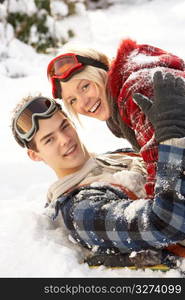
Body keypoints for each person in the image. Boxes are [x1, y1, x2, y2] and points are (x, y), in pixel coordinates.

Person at [11, 72, 185, 268]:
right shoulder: (78, 208)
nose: (65, 139)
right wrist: (172, 141)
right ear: (36, 155)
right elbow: (167, 224)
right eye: (49, 139)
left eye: (64, 126)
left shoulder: (119, 157)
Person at [47, 38, 185, 198]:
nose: (84, 103)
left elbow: (167, 186)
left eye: (85, 86)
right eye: (73, 100)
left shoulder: (135, 94)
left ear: (101, 71)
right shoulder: (139, 66)